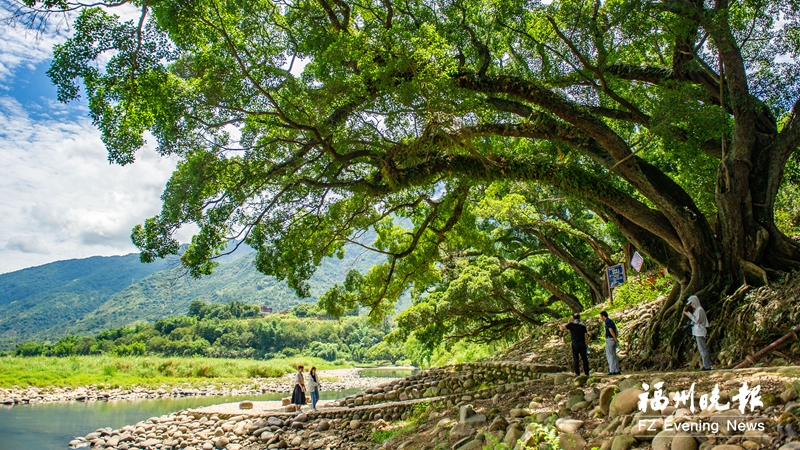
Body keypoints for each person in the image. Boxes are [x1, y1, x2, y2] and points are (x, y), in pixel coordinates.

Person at [683, 295, 711, 370]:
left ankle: (707, 366)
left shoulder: (699, 310)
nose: (691, 305)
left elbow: (697, 320)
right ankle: (706, 365)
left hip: (700, 331)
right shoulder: (697, 310)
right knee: (701, 349)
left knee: (703, 349)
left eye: (692, 303)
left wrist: (689, 315)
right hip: (697, 331)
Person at [559, 312, 590, 376]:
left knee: (576, 358)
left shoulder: (571, 324)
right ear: (579, 317)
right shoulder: (583, 325)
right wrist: (587, 344)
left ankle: (577, 373)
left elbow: (562, 329)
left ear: (573, 318)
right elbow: (586, 336)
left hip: (575, 343)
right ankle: (586, 372)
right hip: (582, 343)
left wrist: (560, 326)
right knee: (584, 358)